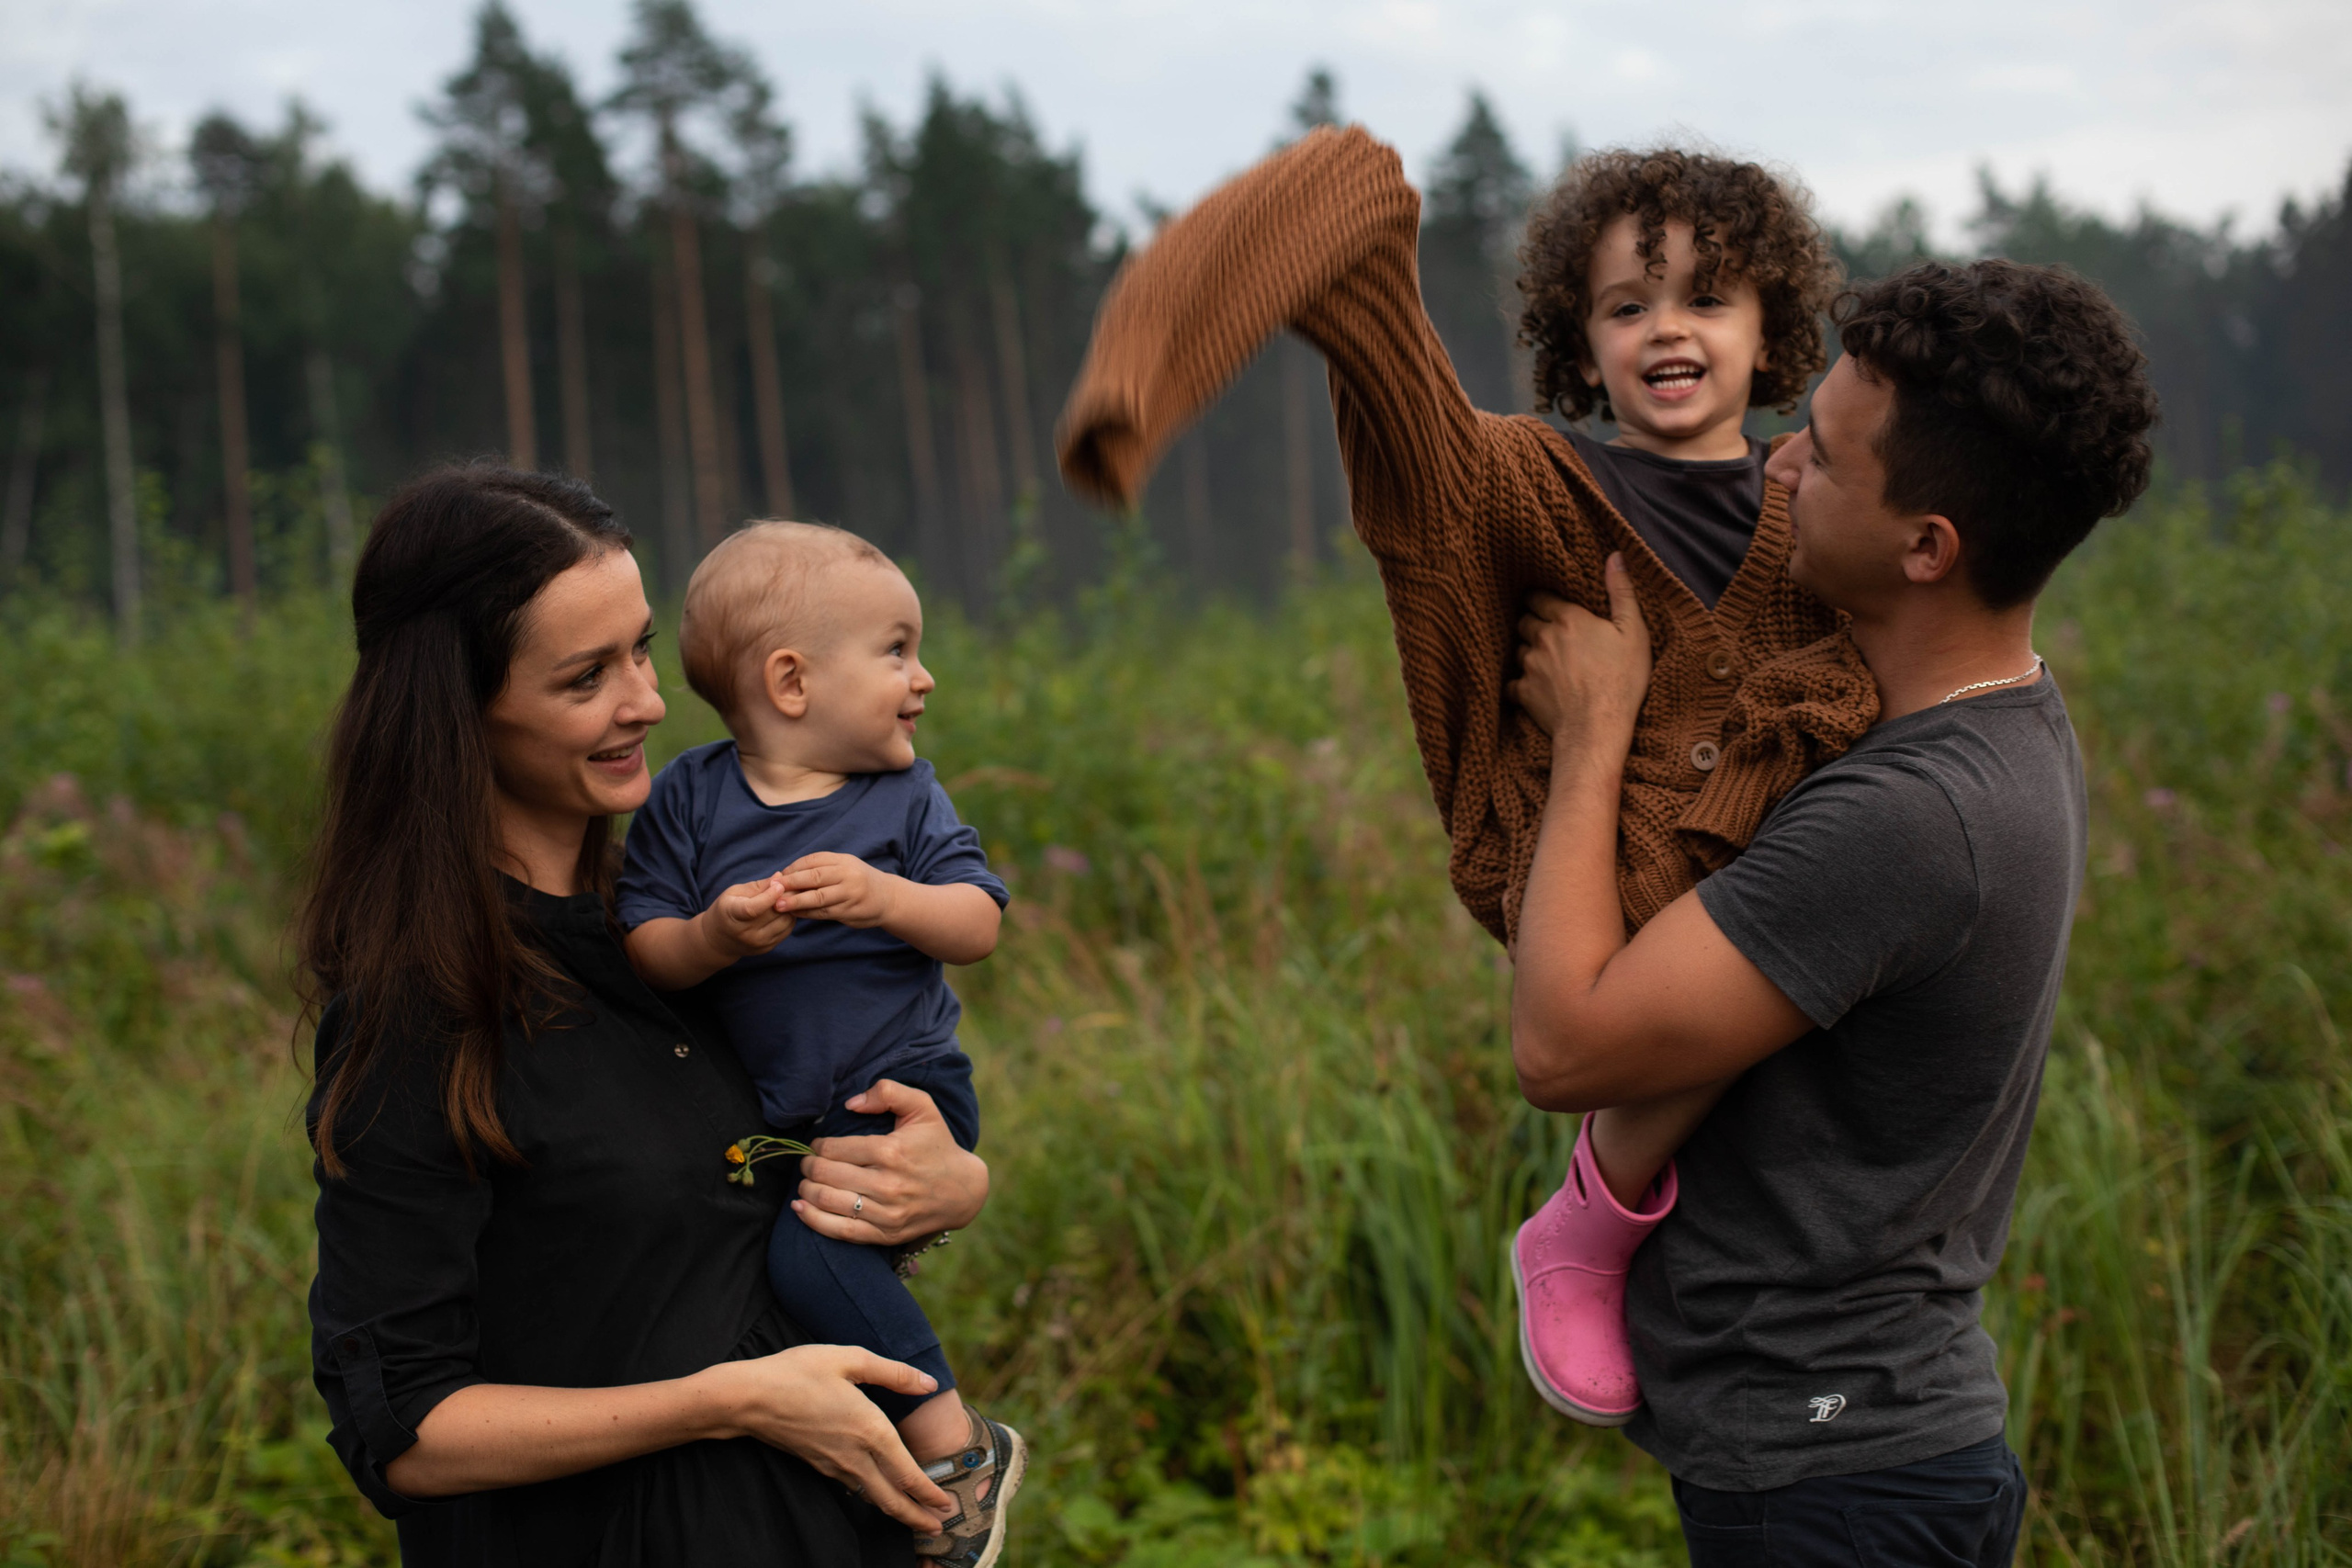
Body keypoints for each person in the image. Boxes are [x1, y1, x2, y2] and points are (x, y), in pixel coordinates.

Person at [1057, 125, 1871, 1422]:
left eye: (1707, 296)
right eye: (1626, 303)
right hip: (1600, 877)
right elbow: (1423, 456)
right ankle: (1587, 1222)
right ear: (1577, 332)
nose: (1668, 328)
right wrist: (1362, 263)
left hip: (1795, 903)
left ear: (1770, 322)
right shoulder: (1535, 485)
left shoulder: (1817, 504)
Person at [1506, 259, 2155, 1563]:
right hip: (1876, 1448)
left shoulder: (1904, 822)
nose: (1781, 463)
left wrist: (1592, 734)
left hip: (1831, 1469)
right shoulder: (1999, 717)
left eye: (1831, 458)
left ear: (1928, 546)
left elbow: (1564, 1047)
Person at [301, 467, 989, 1566]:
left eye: (639, 651)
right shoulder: (424, 1014)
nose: (648, 703)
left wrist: (944, 1185)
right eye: (586, 677)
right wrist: (729, 1402)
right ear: (459, 711)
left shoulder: (704, 932)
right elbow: (406, 1432)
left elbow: (747, 1235)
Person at [616, 521, 1024, 1568]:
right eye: (895, 650)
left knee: (808, 1255)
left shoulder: (902, 798)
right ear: (790, 682)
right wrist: (716, 934)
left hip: (899, 1091)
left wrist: (889, 897)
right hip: (777, 1112)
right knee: (782, 1267)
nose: (923, 677)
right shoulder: (690, 801)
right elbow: (651, 947)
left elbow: (976, 925)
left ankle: (956, 1445)